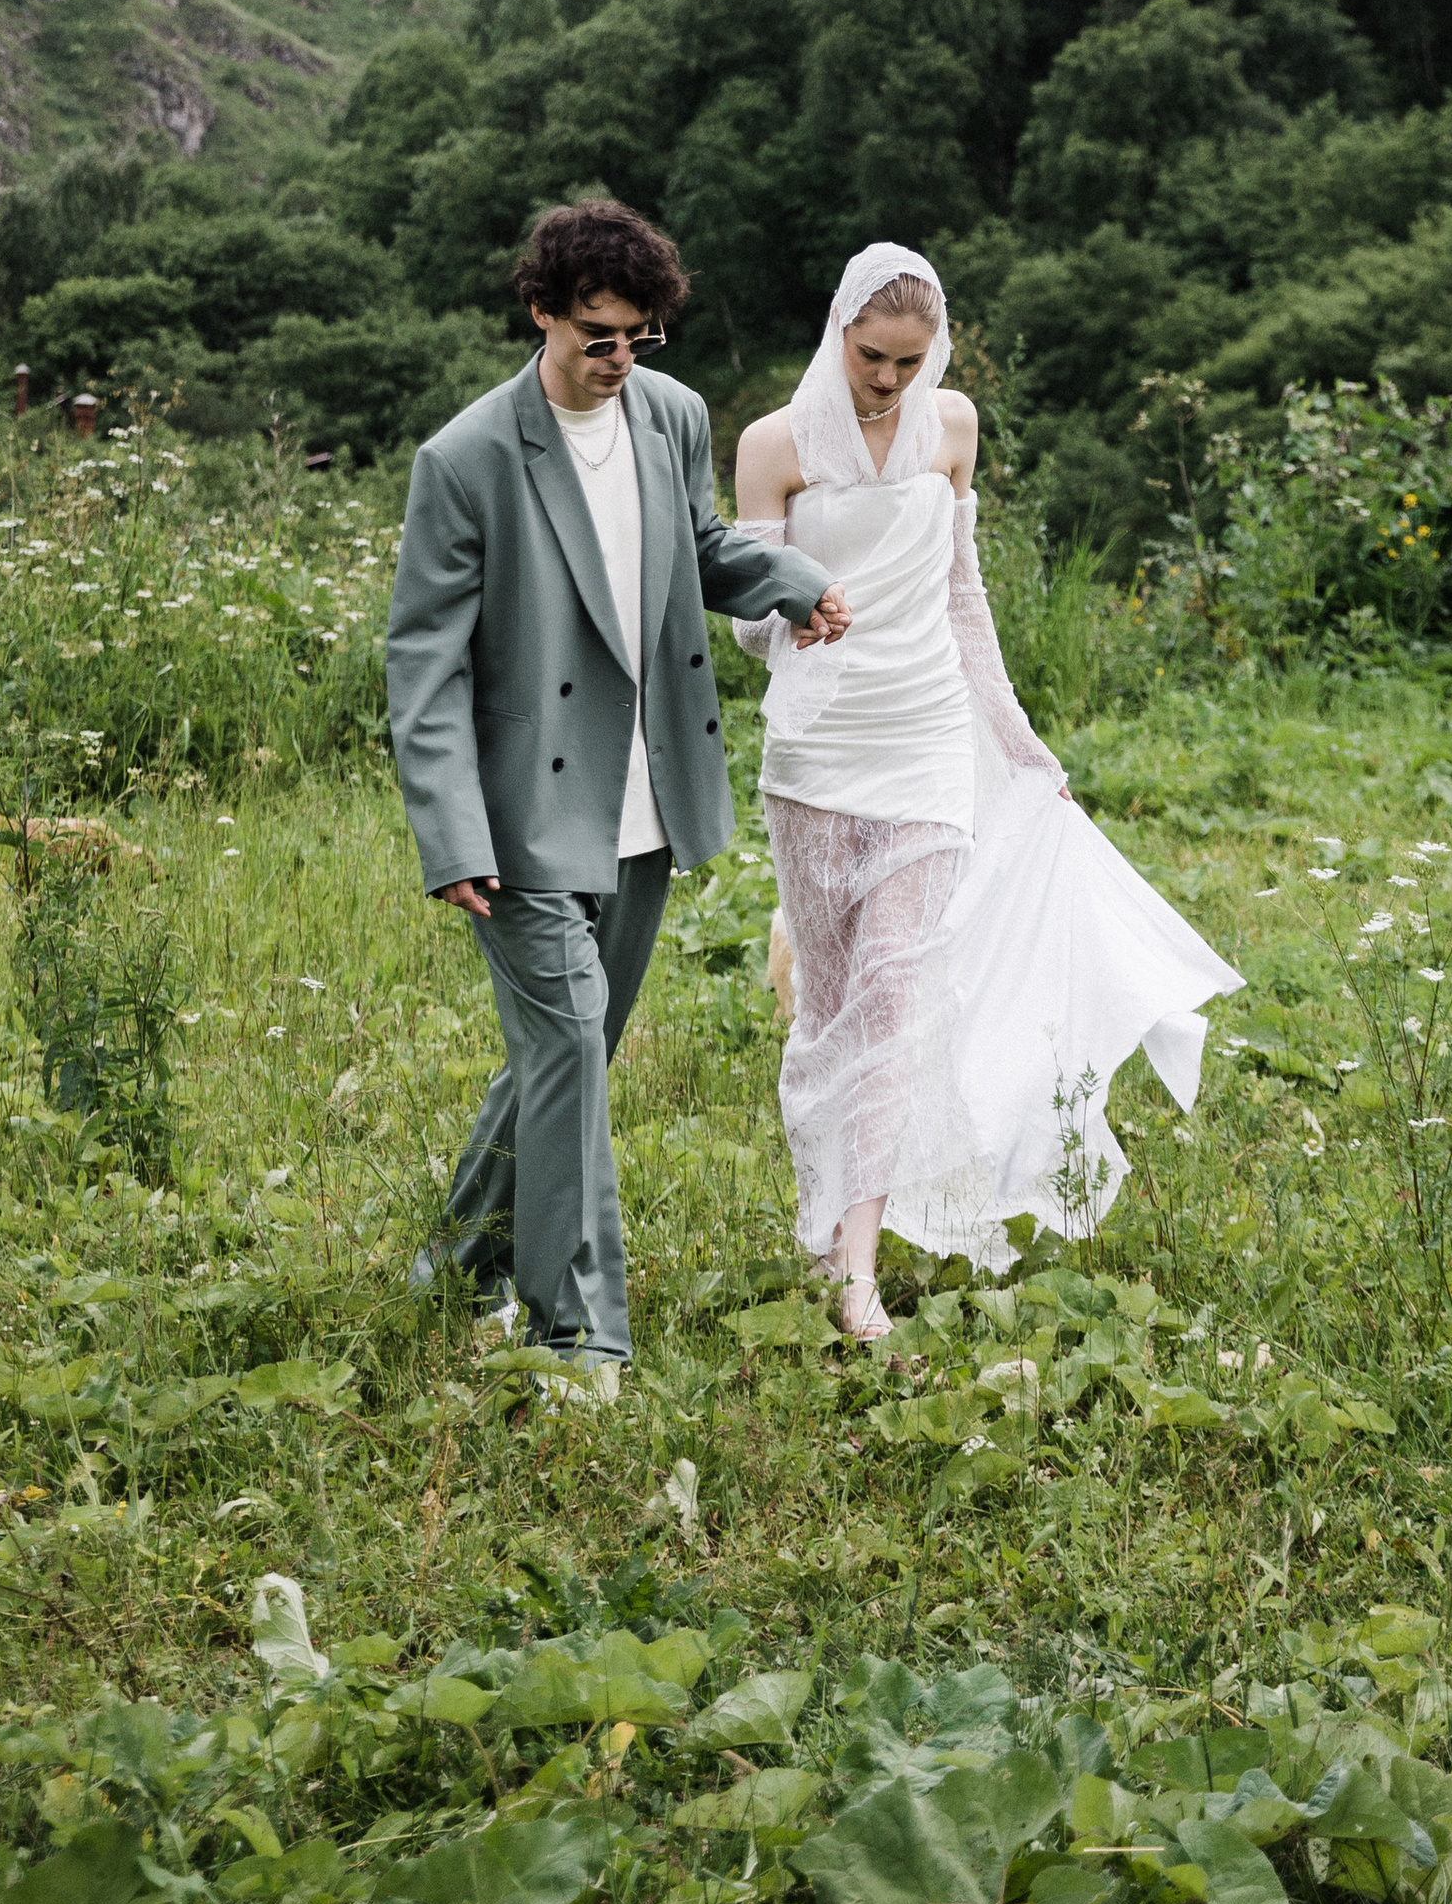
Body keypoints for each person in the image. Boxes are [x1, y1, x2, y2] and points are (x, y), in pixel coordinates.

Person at [734, 242, 1238, 1342]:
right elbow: (744, 621)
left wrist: (1021, 746)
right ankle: (826, 1224)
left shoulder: (951, 429)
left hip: (923, 745)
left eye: (910, 364)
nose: (888, 383)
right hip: (817, 755)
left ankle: (856, 1275)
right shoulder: (772, 446)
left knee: (896, 1000)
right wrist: (796, 600)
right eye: (872, 358)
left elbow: (965, 601)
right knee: (827, 1013)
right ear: (837, 333)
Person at [385, 198, 848, 1380]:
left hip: (647, 800)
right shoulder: (467, 458)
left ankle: (456, 1261)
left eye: (639, 336)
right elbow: (423, 667)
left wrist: (789, 579)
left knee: (569, 1053)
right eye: (597, 335)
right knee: (571, 1042)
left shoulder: (672, 415)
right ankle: (575, 1331)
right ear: (541, 312)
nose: (619, 359)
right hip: (522, 819)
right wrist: (450, 833)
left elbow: (690, 547)